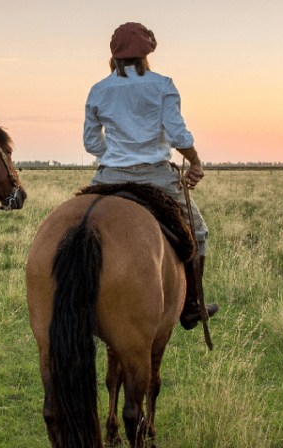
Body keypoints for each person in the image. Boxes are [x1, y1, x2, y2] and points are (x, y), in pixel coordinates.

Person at [83, 22, 218, 329]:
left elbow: (91, 143)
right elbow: (178, 136)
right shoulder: (162, 85)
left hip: (108, 177)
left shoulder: (98, 90)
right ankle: (190, 307)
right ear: (146, 55)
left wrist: (117, 160)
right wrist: (195, 161)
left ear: (114, 56)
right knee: (198, 232)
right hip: (155, 176)